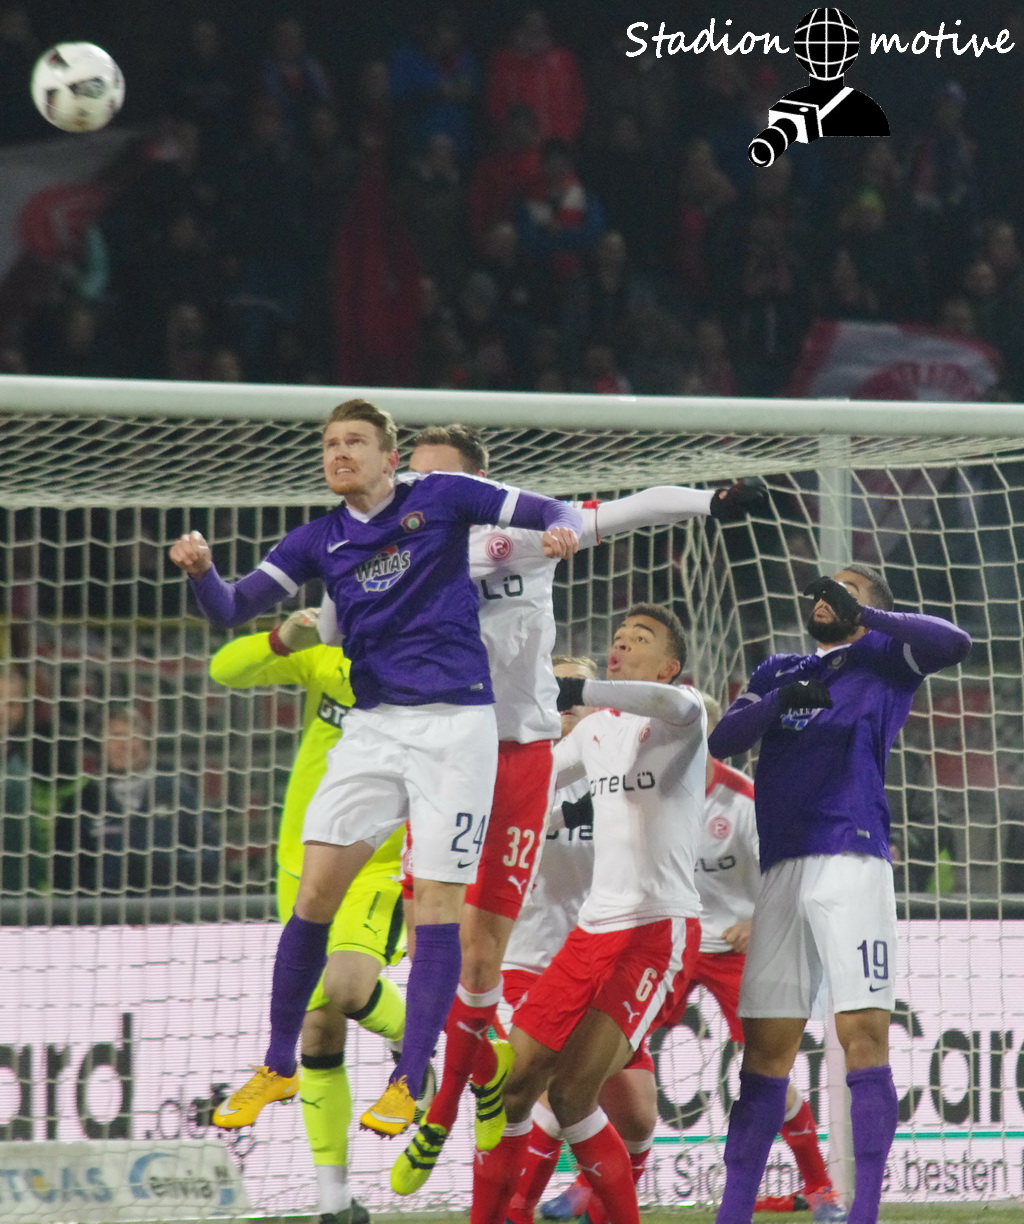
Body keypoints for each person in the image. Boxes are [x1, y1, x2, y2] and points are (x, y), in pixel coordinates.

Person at [168, 398, 581, 1138]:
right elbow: (229, 610)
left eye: (354, 441)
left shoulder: (443, 497)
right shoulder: (317, 539)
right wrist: (202, 571)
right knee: (313, 894)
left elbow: (552, 507)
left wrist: (564, 530)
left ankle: (406, 1079)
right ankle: (277, 1064)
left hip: (456, 726)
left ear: (390, 457)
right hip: (372, 727)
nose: (339, 453)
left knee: (438, 907)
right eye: (330, 443)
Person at [389, 425, 767, 1194]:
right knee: (489, 1018)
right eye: (412, 478)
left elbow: (629, 511)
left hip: (547, 786)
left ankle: (440, 1107)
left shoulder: (525, 537)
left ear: (476, 486)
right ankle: (430, 1103)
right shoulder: (400, 556)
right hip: (462, 758)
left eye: (438, 478)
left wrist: (708, 503)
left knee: (598, 1098)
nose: (420, 492)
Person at [707, 566, 971, 1224]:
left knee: (863, 1035)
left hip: (852, 855)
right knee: (764, 1053)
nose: (825, 596)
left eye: (845, 590)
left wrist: (866, 617)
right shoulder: (779, 669)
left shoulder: (885, 657)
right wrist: (779, 699)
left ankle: (864, 1213)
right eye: (824, 589)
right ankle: (731, 1214)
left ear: (867, 607)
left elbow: (955, 642)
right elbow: (721, 740)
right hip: (780, 869)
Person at [535, 694, 847, 1224]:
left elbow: (789, 874)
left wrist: (757, 923)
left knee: (765, 1071)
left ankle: (819, 1187)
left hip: (735, 949)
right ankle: (594, 1184)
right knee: (611, 1054)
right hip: (668, 942)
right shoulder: (641, 791)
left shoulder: (742, 802)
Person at [471, 604, 707, 1224]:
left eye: (640, 638)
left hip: (656, 929)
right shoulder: (593, 733)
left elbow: (674, 705)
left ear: (670, 665)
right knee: (514, 1088)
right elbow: (531, 784)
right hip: (589, 934)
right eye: (619, 635)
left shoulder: (684, 715)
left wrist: (578, 690)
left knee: (577, 1094)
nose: (621, 643)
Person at [208, 608, 412, 1224]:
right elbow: (224, 670)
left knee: (347, 988)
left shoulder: (428, 669)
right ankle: (334, 1202)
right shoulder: (327, 655)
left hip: (376, 867)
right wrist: (282, 637)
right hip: (301, 868)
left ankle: (424, 1048)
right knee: (318, 1029)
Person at [51, 703, 217, 896]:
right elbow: (63, 876)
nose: (125, 745)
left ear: (146, 743)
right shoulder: (83, 802)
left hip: (167, 909)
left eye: (133, 736)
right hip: (106, 911)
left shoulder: (177, 793)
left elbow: (210, 857)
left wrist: (162, 867)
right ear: (100, 745)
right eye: (116, 736)